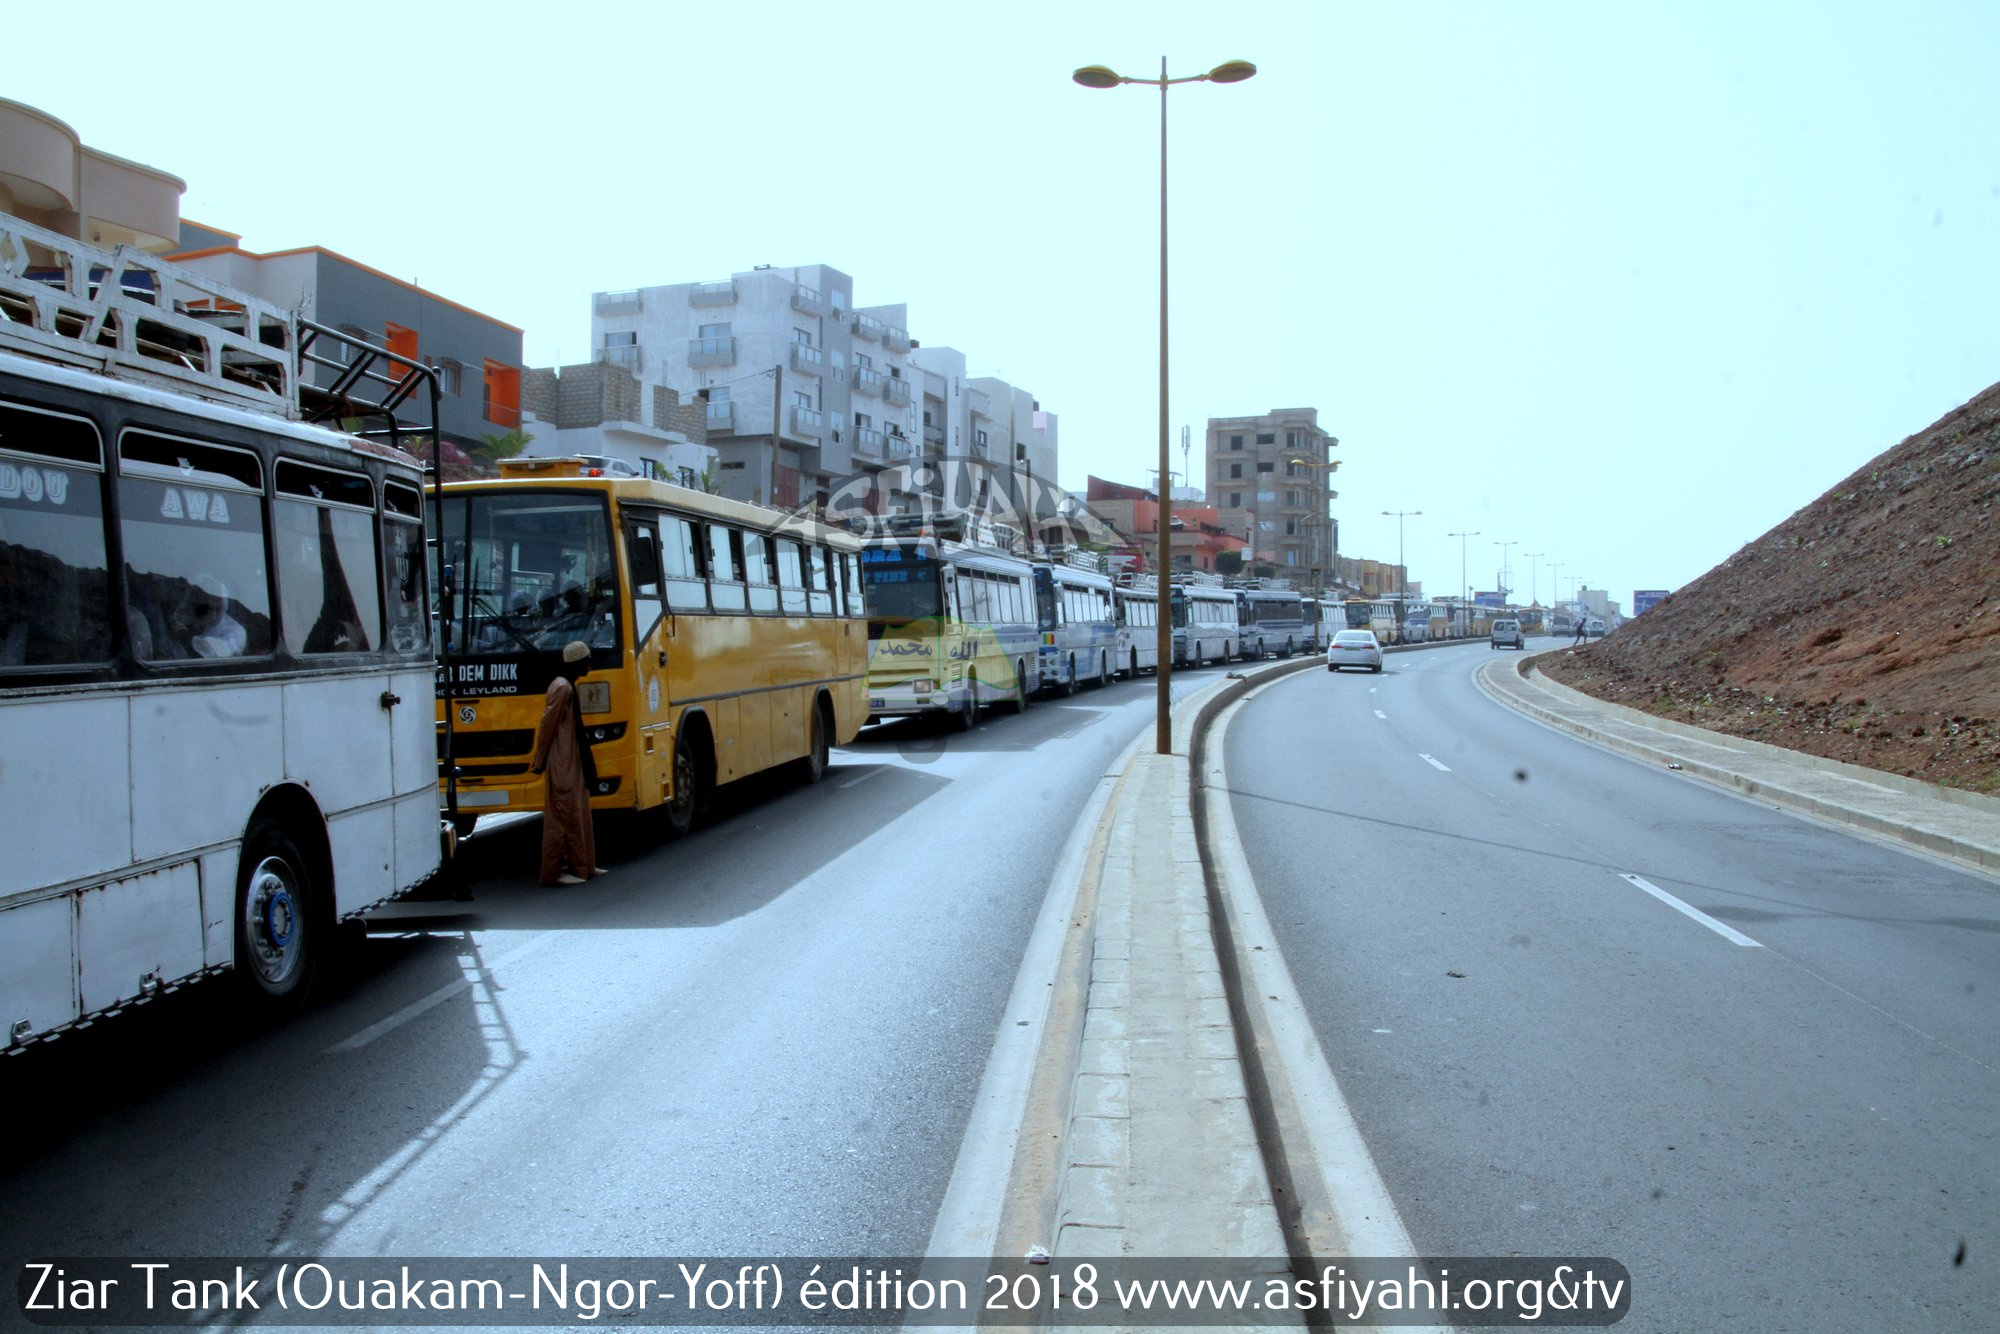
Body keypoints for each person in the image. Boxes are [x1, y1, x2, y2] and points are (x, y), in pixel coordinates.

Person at [529, 640, 607, 886]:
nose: (590, 665)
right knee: (564, 815)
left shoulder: (568, 685)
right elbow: (547, 726)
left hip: (572, 757)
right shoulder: (562, 688)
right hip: (563, 760)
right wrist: (539, 761)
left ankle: (585, 865)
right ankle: (559, 871)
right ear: (578, 663)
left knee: (579, 811)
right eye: (587, 660)